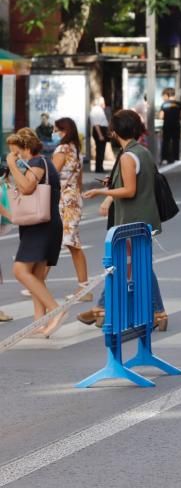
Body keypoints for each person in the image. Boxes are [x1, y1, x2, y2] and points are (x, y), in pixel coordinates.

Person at [79, 110, 169, 330]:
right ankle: (155, 313)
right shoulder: (142, 152)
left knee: (124, 265)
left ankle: (105, 308)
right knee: (136, 266)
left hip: (132, 220)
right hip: (142, 219)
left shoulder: (128, 156)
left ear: (115, 131)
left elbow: (129, 190)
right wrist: (113, 182)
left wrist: (101, 193)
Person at [0, 129, 65, 337]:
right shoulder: (41, 163)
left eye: (16, 153)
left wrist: (11, 164)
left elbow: (28, 188)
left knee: (20, 270)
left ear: (26, 149)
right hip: (41, 225)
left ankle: (57, 310)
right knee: (36, 275)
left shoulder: (37, 163)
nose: (15, 157)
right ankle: (40, 322)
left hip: (41, 227)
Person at [51, 118, 90, 301]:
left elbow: (52, 174)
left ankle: (84, 288)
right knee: (63, 240)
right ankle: (37, 280)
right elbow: (79, 179)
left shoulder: (62, 149)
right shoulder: (76, 149)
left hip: (64, 200)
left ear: (63, 131)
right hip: (73, 198)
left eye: (56, 130)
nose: (54, 133)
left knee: (70, 241)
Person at [158, 88, 181, 164]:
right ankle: (176, 158)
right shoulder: (179, 104)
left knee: (166, 141)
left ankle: (164, 158)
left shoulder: (164, 104)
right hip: (176, 125)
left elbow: (161, 116)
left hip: (167, 125)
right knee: (176, 141)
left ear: (167, 95)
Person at [90, 96, 111, 173]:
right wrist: (100, 135)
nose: (104, 104)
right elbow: (96, 124)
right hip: (100, 131)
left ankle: (100, 167)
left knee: (101, 150)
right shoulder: (96, 110)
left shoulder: (99, 110)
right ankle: (99, 168)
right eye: (103, 102)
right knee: (100, 150)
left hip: (102, 131)